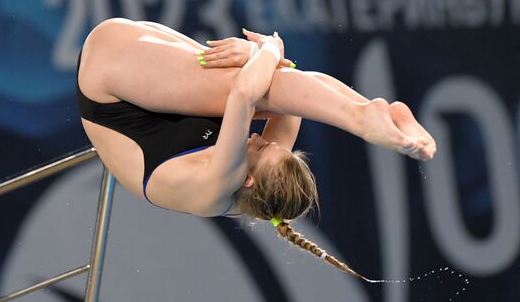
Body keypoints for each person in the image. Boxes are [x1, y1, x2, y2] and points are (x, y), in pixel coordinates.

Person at [76, 18, 436, 281]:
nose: (259, 138)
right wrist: (260, 56)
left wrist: (266, 48)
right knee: (270, 85)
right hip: (140, 74)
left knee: (254, 84)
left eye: (262, 146)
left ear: (246, 179)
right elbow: (295, 101)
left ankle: (363, 120)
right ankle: (369, 113)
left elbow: (246, 94)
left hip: (107, 78)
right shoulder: (254, 174)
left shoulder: (216, 186)